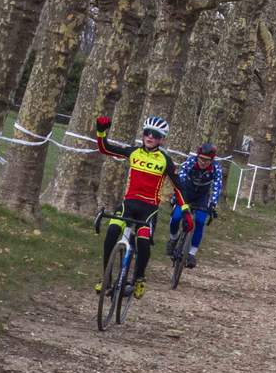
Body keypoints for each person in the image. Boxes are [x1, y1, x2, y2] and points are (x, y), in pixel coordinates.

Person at [94, 114, 192, 299]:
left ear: (162, 139)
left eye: (155, 134)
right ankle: (107, 278)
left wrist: (186, 211)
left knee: (143, 243)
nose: (150, 137)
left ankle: (139, 278)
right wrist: (100, 131)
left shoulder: (165, 161)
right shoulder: (133, 152)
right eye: (147, 132)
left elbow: (178, 187)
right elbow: (105, 148)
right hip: (128, 204)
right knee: (112, 233)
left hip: (149, 209)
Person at [166, 142, 223, 268]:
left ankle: (191, 253)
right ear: (197, 156)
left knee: (201, 221)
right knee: (176, 217)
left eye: (207, 160)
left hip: (202, 197)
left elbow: (217, 186)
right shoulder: (190, 162)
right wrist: (176, 197)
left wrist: (213, 203)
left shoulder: (216, 168)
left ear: (212, 160)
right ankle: (173, 239)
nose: (203, 162)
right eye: (201, 159)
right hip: (186, 192)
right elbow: (179, 180)